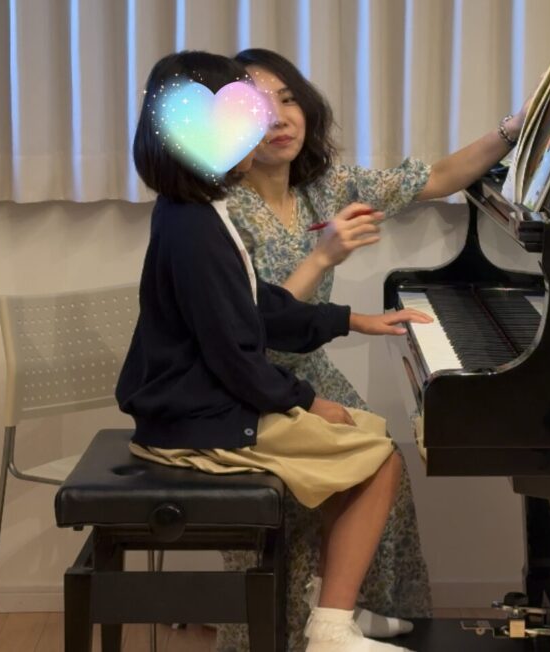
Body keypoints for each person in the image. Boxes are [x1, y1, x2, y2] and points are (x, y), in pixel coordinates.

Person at [117, 50, 432, 652]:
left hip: (199, 405)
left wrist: (351, 320)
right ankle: (331, 628)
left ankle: (327, 606)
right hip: (196, 420)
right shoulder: (194, 227)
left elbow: (256, 306)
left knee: (367, 435)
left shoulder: (197, 213)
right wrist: (305, 401)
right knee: (377, 459)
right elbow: (234, 351)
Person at [217, 47, 530, 652]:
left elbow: (438, 177)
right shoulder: (225, 211)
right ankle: (306, 625)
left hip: (305, 369)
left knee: (384, 452)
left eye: (288, 99)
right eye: (257, 105)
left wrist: (511, 130)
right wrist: (324, 257)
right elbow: (256, 327)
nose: (278, 117)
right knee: (357, 461)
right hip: (247, 382)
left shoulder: (324, 187)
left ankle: (349, 609)